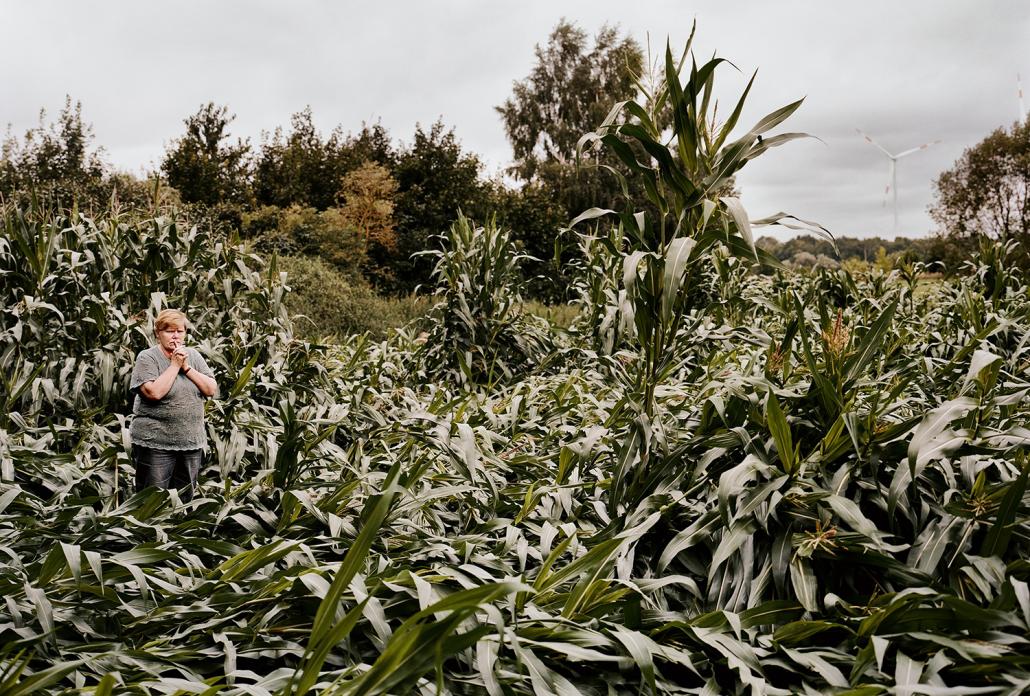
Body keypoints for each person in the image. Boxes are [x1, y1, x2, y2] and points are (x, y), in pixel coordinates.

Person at [129, 309, 218, 499]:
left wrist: (186, 367)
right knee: (151, 501)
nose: (175, 336)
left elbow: (211, 389)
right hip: (155, 444)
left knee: (184, 501)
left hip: (190, 443)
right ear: (158, 333)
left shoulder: (192, 356)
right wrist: (175, 365)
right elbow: (154, 393)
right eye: (169, 331)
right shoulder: (147, 358)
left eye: (180, 331)